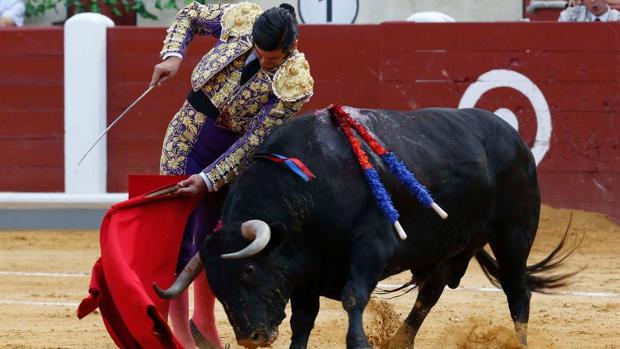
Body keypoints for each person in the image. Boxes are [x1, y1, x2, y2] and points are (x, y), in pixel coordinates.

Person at [149, 2, 313, 348]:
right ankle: (177, 327)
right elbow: (190, 13)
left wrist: (210, 178)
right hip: (185, 136)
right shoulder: (241, 19)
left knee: (215, 236)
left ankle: (203, 319)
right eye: (262, 54)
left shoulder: (295, 79)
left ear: (292, 48)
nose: (267, 63)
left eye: (275, 59)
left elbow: (254, 140)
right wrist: (173, 54)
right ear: (252, 38)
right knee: (178, 231)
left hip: (229, 155)